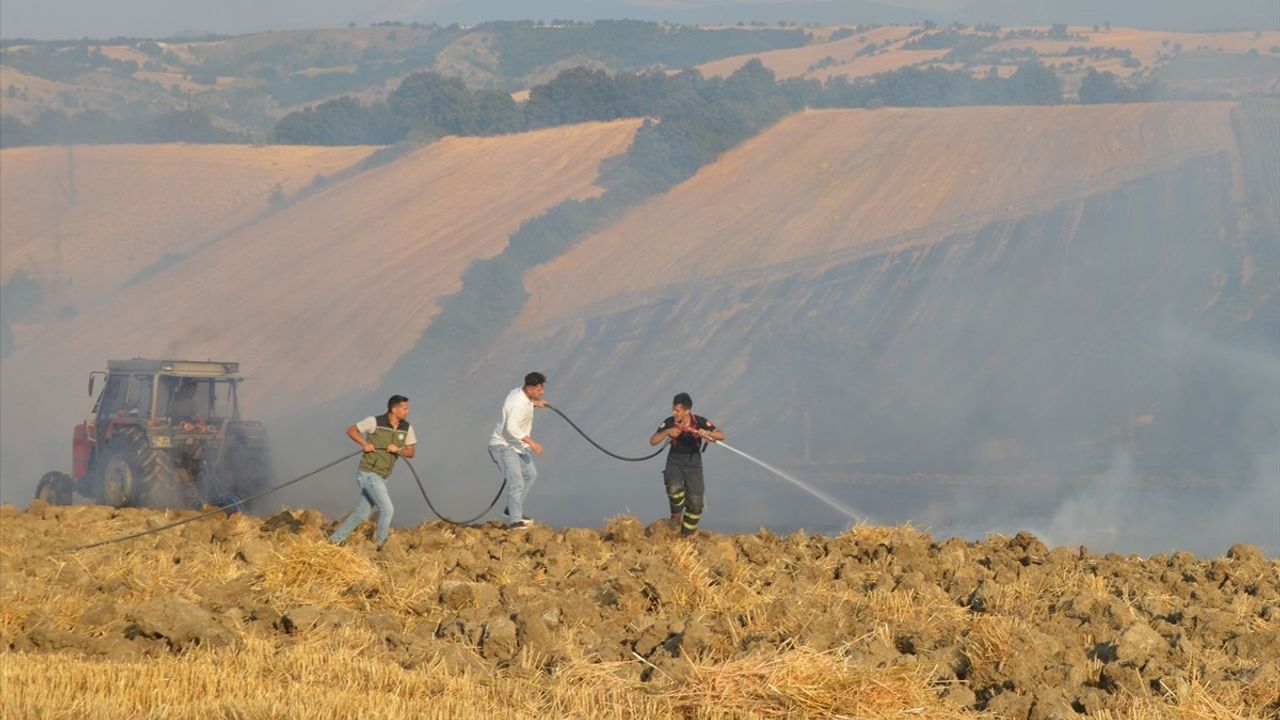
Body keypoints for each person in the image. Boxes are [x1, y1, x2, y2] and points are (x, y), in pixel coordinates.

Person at [330, 395, 417, 548]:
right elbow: (351, 430)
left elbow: (411, 452)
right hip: (369, 472)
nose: (407, 411)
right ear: (394, 409)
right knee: (387, 509)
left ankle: (334, 540)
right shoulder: (374, 421)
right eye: (405, 408)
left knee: (362, 514)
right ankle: (380, 545)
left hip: (383, 476)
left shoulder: (407, 428)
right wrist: (365, 443)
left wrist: (399, 449)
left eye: (407, 408)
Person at [649, 392, 725, 537]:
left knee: (696, 505)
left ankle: (687, 535)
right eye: (673, 409)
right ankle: (676, 516)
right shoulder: (670, 422)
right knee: (674, 487)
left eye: (677, 410)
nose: (674, 413)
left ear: (687, 411)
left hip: (693, 462)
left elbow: (721, 435)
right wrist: (667, 432)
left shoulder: (700, 422)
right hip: (675, 460)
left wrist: (707, 434)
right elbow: (652, 441)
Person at [488, 372, 547, 530]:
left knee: (531, 474)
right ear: (529, 388)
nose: (542, 392)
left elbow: (522, 404)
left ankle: (511, 510)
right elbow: (511, 427)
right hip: (503, 446)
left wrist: (535, 403)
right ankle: (515, 521)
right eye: (539, 389)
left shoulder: (521, 395)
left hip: (517, 446)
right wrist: (532, 443)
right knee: (516, 482)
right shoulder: (517, 403)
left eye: (542, 388)